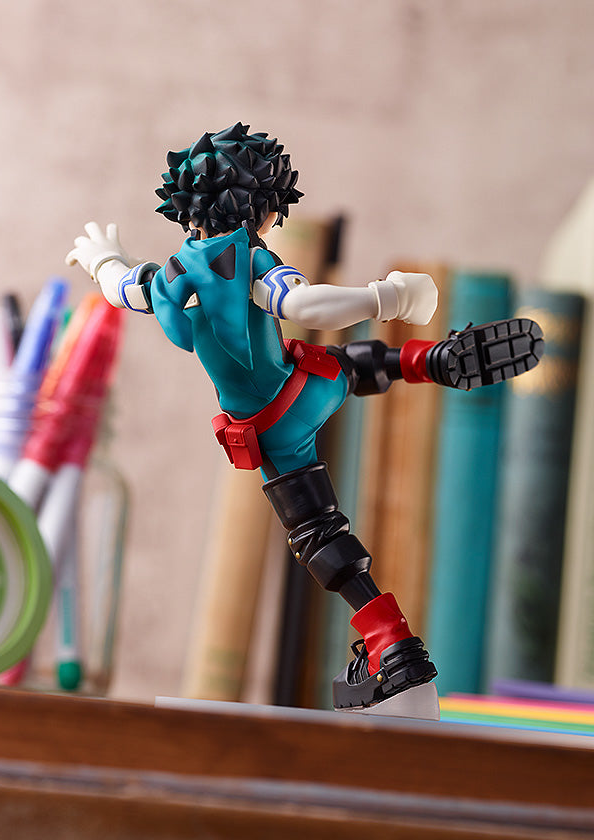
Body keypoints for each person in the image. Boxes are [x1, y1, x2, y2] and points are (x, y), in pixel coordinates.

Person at [67, 123, 543, 718]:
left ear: (186, 205)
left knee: (319, 533)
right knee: (347, 365)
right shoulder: (253, 257)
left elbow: (124, 289)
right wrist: (385, 299)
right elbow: (302, 303)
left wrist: (103, 259)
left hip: (273, 427)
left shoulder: (174, 275)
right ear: (265, 209)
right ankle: (427, 359)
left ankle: (394, 650)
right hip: (307, 383)